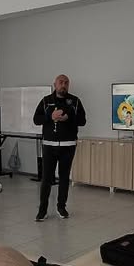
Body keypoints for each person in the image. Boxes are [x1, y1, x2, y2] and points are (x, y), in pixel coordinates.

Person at [33, 74, 86, 221]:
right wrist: (50, 117)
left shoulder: (75, 101)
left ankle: (61, 207)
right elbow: (36, 119)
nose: (64, 85)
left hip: (68, 146)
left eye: (66, 83)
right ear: (55, 84)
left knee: (64, 178)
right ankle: (42, 210)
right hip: (49, 146)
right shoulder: (46, 101)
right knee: (46, 178)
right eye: (61, 82)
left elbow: (82, 121)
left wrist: (69, 118)